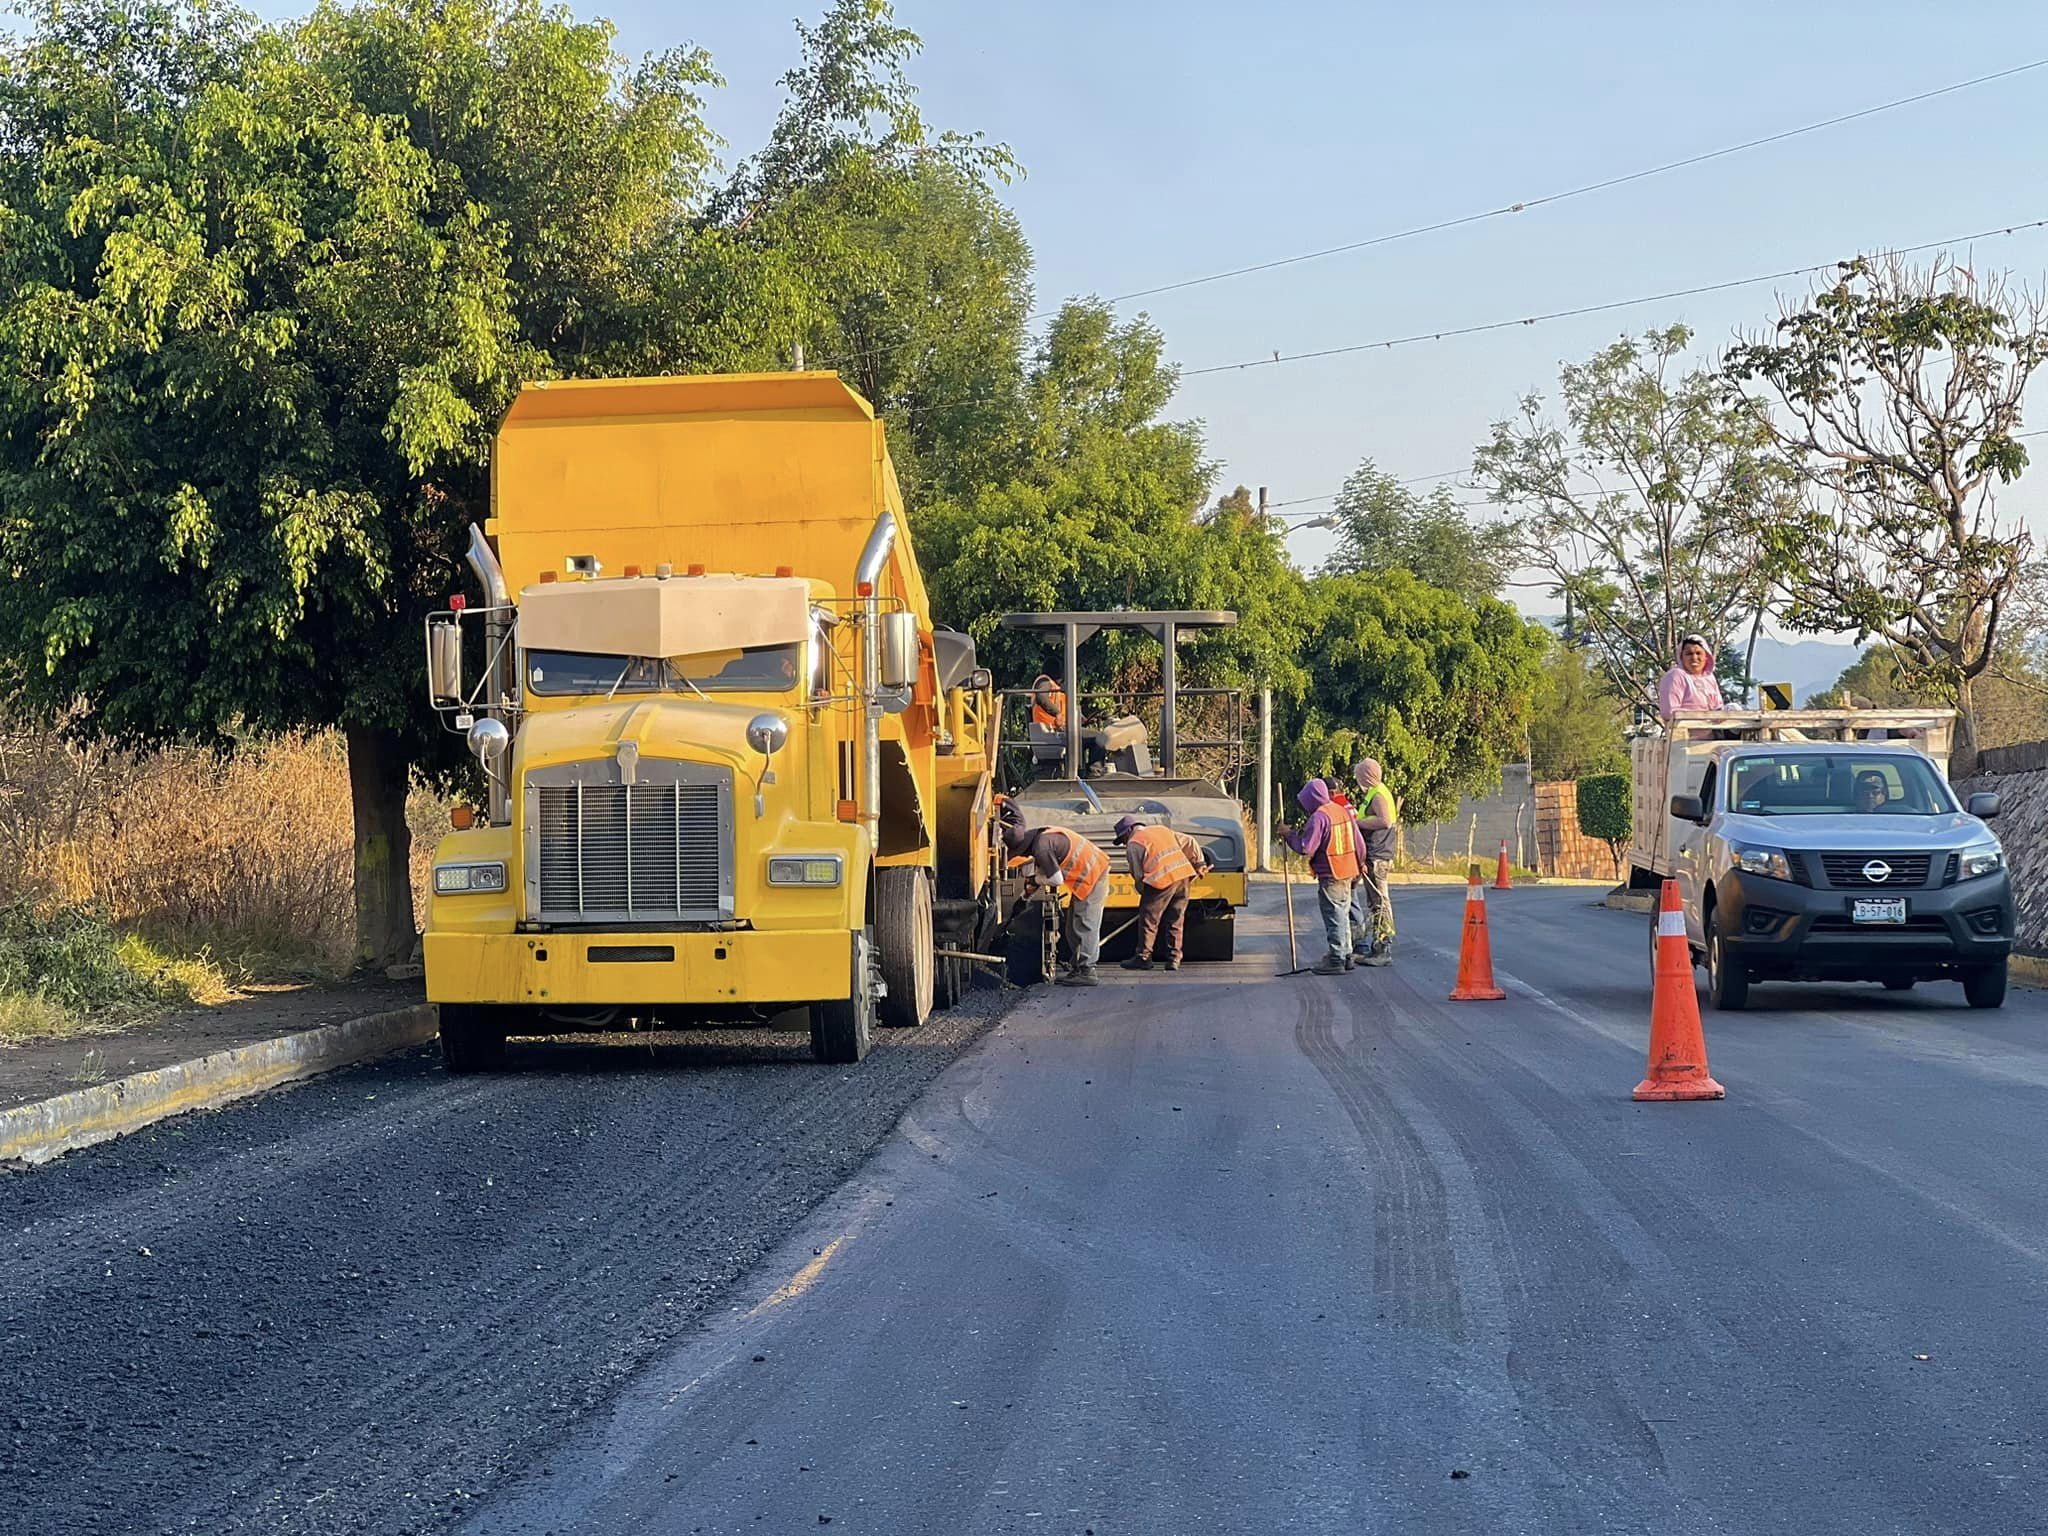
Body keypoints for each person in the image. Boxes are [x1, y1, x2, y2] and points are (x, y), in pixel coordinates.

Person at [1000, 807, 1112, 986]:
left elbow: (1056, 879)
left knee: (1085, 924)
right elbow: (1042, 875)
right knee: (1072, 925)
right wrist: (1024, 898)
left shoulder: (1041, 847)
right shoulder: (1043, 836)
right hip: (1086, 876)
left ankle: (1087, 971)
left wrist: (1034, 880)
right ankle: (1078, 968)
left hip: (1093, 874)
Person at [1284, 779, 1362, 975]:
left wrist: (1289, 835)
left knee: (1334, 916)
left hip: (1331, 873)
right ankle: (1346, 955)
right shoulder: (1340, 810)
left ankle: (1336, 958)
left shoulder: (1319, 817)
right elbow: (1358, 841)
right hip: (1348, 870)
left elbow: (1305, 847)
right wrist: (1360, 865)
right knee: (1343, 915)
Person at [1114, 815, 1208, 971]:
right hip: (1183, 876)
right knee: (1175, 919)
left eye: (1122, 837)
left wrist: (1145, 897)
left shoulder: (1133, 844)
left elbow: (1138, 876)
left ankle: (1143, 957)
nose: (1123, 842)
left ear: (1130, 830)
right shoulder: (1161, 829)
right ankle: (1174, 958)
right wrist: (1200, 863)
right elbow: (1189, 841)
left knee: (1149, 919)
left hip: (1160, 880)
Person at [1351, 759, 1400, 966]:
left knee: (1380, 903)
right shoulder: (1376, 792)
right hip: (1376, 855)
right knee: (1376, 903)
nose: (1358, 780)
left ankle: (1382, 948)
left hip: (1377, 856)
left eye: (1360, 775)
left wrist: (1358, 822)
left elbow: (1385, 820)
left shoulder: (1378, 794)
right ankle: (1377, 947)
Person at [1658, 634, 1725, 722]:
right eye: (1689, 654)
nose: (1694, 658)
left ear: (1706, 657)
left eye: (1698, 653)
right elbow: (1669, 712)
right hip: (1685, 733)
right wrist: (1702, 715)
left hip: (1714, 732)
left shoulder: (1710, 678)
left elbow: (1719, 707)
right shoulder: (1675, 676)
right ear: (1681, 657)